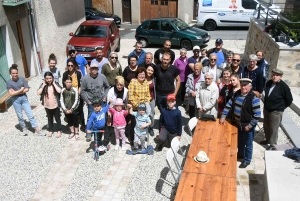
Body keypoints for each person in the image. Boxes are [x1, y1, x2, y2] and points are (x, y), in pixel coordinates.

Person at [220, 78, 261, 168]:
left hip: (248, 125)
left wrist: (250, 126)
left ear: (250, 86)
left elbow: (257, 115)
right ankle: (241, 155)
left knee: (248, 144)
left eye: (245, 85)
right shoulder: (237, 94)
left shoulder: (253, 98)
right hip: (238, 123)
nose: (243, 87)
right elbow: (229, 104)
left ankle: (247, 160)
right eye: (242, 85)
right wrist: (223, 116)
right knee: (240, 141)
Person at [6, 64, 43, 136]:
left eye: (16, 73)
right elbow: (11, 94)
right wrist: (21, 90)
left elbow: (27, 89)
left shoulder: (22, 79)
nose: (15, 74)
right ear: (10, 74)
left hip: (24, 98)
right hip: (15, 100)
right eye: (13, 73)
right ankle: (23, 127)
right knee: (20, 115)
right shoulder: (9, 82)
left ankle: (36, 129)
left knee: (30, 114)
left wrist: (16, 92)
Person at [261, 69, 293, 150]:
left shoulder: (284, 87)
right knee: (266, 126)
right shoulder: (269, 83)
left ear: (280, 77)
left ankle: (273, 145)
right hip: (267, 109)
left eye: (277, 75)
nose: (274, 76)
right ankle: (268, 140)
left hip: (276, 111)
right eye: (273, 74)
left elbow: (289, 100)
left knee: (273, 129)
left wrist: (281, 107)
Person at [128, 67, 152, 145]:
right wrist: (138, 106)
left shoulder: (146, 82)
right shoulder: (133, 82)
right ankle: (133, 140)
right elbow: (130, 96)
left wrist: (146, 103)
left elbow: (148, 95)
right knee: (134, 124)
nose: (142, 76)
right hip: (135, 107)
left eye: (143, 74)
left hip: (143, 108)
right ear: (137, 75)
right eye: (140, 74)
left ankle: (141, 137)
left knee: (142, 123)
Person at [62, 58, 86, 132]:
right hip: (69, 96)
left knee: (80, 111)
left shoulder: (78, 73)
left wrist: (79, 92)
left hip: (78, 94)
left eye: (72, 65)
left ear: (74, 66)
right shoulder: (65, 74)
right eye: (68, 65)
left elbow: (81, 84)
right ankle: (73, 126)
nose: (70, 67)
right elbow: (64, 85)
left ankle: (83, 125)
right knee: (71, 111)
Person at [37, 72, 62, 138]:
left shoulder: (55, 84)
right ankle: (51, 130)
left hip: (55, 105)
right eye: (47, 78)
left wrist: (54, 83)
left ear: (52, 78)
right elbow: (38, 92)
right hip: (47, 106)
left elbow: (59, 91)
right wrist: (43, 85)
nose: (49, 80)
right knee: (49, 119)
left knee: (57, 118)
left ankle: (59, 130)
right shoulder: (43, 85)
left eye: (50, 78)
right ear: (45, 79)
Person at [145, 64, 156, 136]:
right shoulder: (141, 78)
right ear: (146, 70)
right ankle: (144, 127)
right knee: (143, 114)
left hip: (151, 99)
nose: (150, 72)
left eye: (151, 70)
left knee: (152, 114)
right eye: (148, 70)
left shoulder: (154, 79)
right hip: (143, 100)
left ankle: (151, 127)